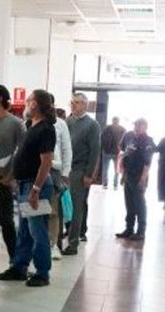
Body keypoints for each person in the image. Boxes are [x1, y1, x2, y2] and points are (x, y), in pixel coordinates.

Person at [0, 89, 56, 287]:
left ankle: (42, 272)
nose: (25, 103)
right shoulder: (31, 126)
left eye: (29, 100)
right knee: (24, 230)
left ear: (35, 104)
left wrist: (36, 190)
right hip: (24, 185)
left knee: (37, 231)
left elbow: (46, 161)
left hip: (34, 186)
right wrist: (11, 177)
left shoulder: (46, 129)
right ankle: (19, 267)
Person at [0, 85, 26, 279]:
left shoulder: (16, 123)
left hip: (4, 180)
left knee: (7, 222)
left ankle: (16, 263)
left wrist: (11, 176)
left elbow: (22, 151)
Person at [62, 93, 101, 256]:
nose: (73, 105)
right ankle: (65, 234)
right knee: (64, 204)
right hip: (66, 168)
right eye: (72, 102)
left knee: (77, 207)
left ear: (85, 105)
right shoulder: (68, 121)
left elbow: (94, 151)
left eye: (77, 102)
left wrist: (89, 174)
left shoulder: (92, 125)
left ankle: (73, 243)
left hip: (80, 170)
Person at [117, 118, 155, 241]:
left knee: (139, 204)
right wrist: (123, 175)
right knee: (129, 203)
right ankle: (129, 228)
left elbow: (147, 162)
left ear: (145, 127)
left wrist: (143, 178)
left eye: (139, 125)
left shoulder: (148, 141)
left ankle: (141, 231)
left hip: (139, 176)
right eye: (135, 125)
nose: (136, 127)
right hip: (128, 175)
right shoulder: (129, 136)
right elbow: (124, 153)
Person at [49, 96, 72, 260]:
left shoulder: (60, 124)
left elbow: (66, 149)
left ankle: (53, 245)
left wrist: (65, 173)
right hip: (33, 171)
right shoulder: (29, 122)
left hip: (53, 171)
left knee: (53, 211)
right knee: (33, 213)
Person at [101, 117, 126, 190]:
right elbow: (124, 142)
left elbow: (101, 138)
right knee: (116, 169)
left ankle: (105, 184)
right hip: (117, 152)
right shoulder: (122, 129)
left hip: (106, 151)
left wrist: (103, 148)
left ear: (112, 121)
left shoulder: (107, 128)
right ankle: (115, 185)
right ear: (118, 121)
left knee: (105, 168)